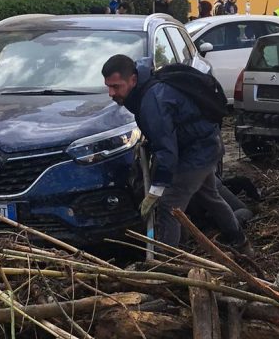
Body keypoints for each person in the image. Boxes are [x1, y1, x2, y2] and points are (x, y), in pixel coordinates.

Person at [101, 55, 252, 255]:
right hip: (205, 144)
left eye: (116, 86)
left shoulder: (152, 99)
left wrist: (155, 190)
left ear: (133, 80)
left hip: (197, 152)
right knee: (210, 195)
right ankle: (241, 243)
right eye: (108, 87)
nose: (111, 93)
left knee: (169, 206)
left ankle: (168, 264)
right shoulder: (147, 89)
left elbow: (166, 150)